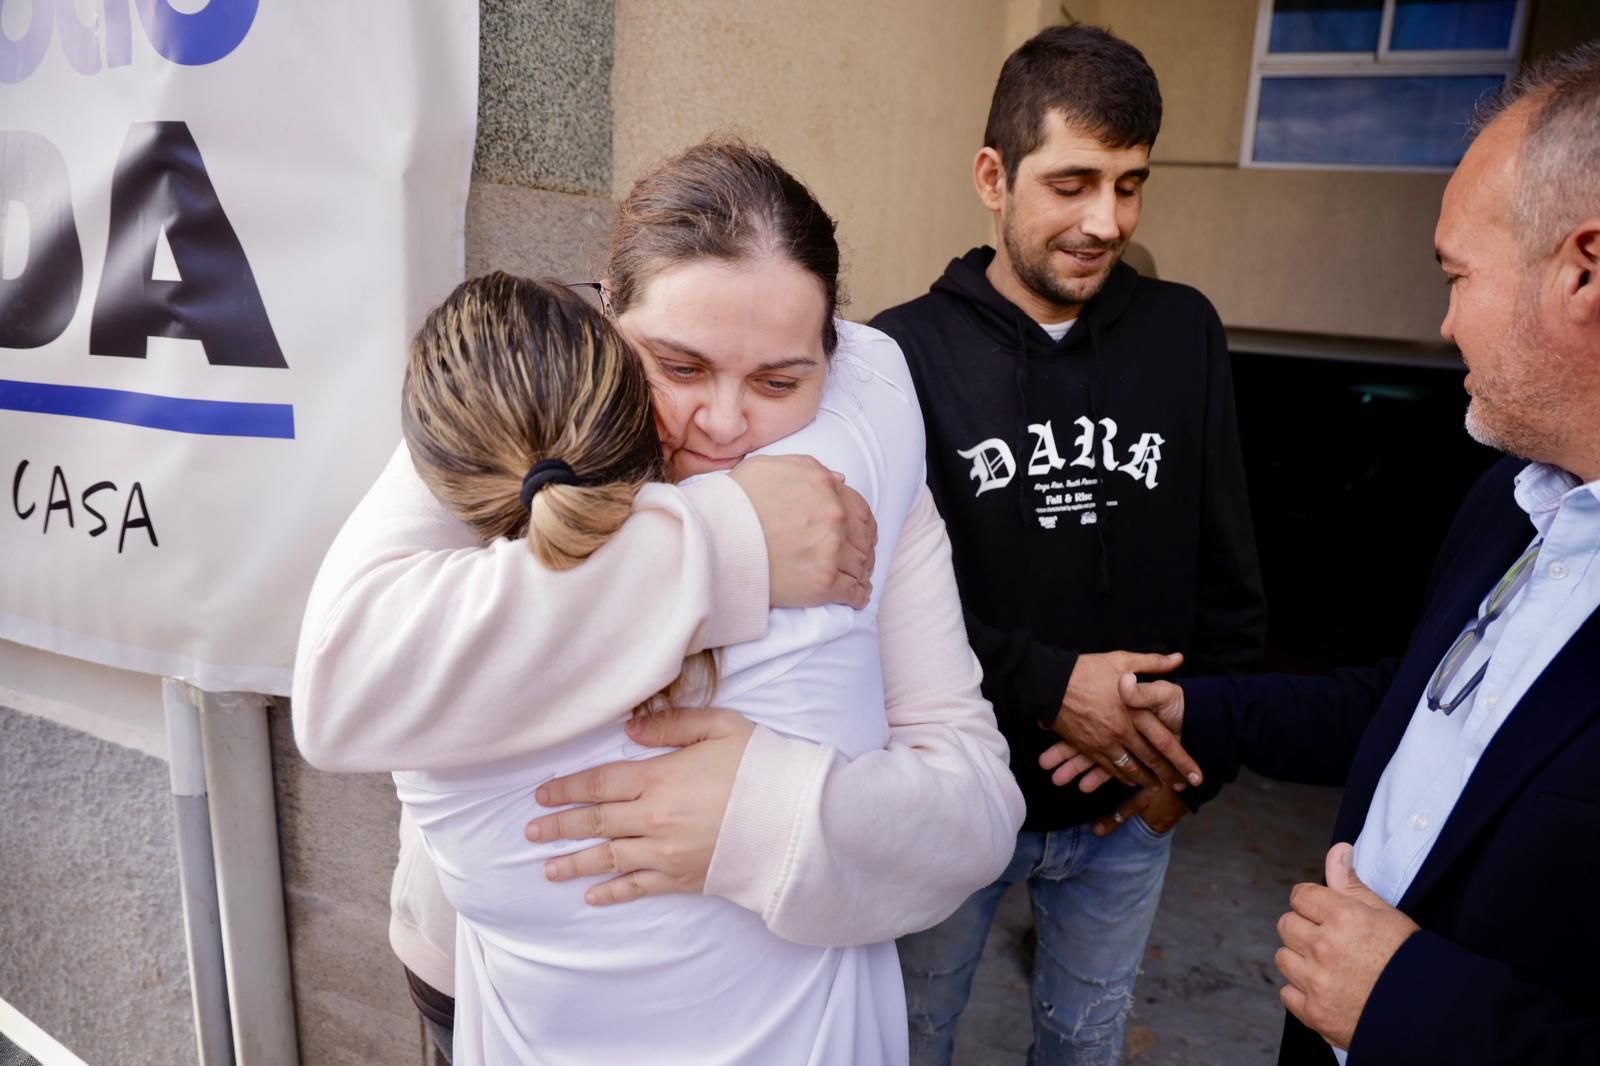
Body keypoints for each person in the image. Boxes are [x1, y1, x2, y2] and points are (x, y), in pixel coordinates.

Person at [293, 140, 1025, 1062]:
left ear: (828, 361)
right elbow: (341, 685)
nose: (723, 424)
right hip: (496, 987)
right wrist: (731, 548)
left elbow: (975, 806)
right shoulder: (521, 390)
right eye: (678, 367)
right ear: (606, 308)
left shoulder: (870, 421)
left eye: (779, 382)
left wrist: (768, 815)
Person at [1054, 42, 1600, 1066]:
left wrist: (1407, 1004)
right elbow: (1407, 709)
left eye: (1455, 275)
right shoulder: (1511, 502)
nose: (1440, 325)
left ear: (1583, 268)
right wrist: (1198, 714)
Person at [867, 24, 1266, 1065]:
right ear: (992, 176)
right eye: (1073, 182)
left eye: (1130, 186)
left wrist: (1189, 774)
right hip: (954, 801)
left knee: (1082, 1052)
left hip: (1122, 820)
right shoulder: (899, 353)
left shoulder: (1185, 333)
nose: (1106, 221)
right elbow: (879, 602)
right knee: (909, 1042)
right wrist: (1051, 683)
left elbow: (1229, 572)